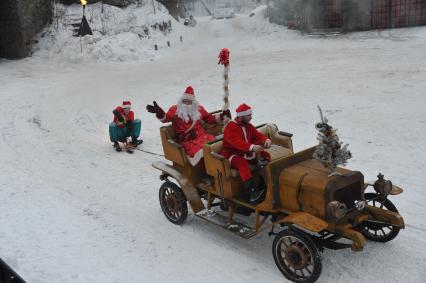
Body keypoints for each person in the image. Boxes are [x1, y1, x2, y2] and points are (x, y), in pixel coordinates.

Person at [146, 86, 230, 165]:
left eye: (189, 102)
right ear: (181, 101)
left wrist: (222, 116)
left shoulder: (199, 109)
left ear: (193, 102)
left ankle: (217, 165)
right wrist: (159, 112)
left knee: (215, 146)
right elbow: (166, 118)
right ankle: (206, 168)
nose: (186, 104)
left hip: (202, 136)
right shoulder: (175, 110)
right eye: (184, 101)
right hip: (187, 139)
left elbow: (209, 119)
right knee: (202, 150)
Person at [220, 103, 272, 203]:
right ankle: (251, 192)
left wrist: (266, 140)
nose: (251, 118)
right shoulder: (230, 127)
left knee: (265, 156)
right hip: (232, 155)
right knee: (242, 162)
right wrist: (252, 147)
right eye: (249, 115)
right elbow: (236, 143)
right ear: (242, 116)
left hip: (246, 152)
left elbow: (258, 135)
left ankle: (263, 184)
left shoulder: (248, 126)